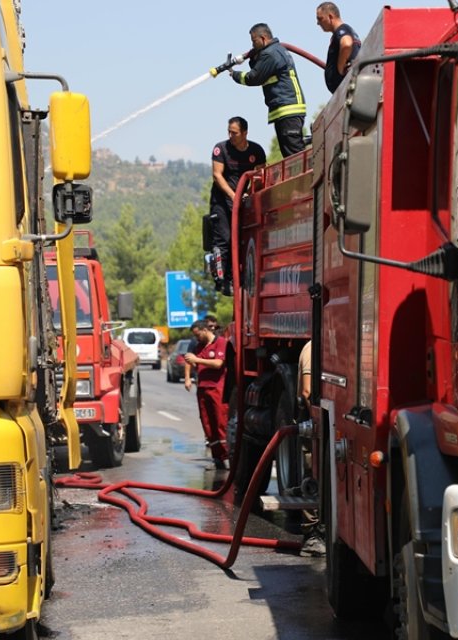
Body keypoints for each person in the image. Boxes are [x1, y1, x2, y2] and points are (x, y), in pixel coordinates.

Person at [228, 23, 308, 157]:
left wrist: (234, 74)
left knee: (295, 157)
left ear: (263, 38)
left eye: (254, 41)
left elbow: (253, 77)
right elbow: (261, 70)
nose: (252, 45)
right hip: (285, 110)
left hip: (288, 109)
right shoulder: (274, 51)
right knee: (290, 156)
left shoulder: (271, 54)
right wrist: (253, 57)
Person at [208, 117, 266, 295]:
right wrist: (234, 195)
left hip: (243, 201)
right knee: (224, 239)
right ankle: (223, 280)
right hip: (222, 201)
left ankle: (240, 277)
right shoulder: (221, 149)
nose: (231, 135)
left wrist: (248, 193)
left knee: (242, 239)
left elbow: (260, 175)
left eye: (234, 132)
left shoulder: (256, 151)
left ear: (245, 133)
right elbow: (217, 175)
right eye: (229, 132)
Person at [184, 318, 230, 470]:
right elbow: (189, 360)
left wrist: (197, 359)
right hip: (202, 389)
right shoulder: (199, 346)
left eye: (198, 335)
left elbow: (218, 363)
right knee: (207, 423)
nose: (197, 338)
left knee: (220, 422)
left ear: (205, 330)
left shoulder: (221, 342)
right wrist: (187, 378)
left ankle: (227, 456)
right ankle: (216, 456)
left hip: (217, 388)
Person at [295, 340, 325, 556]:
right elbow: (307, 391)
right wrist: (319, 427)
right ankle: (311, 536)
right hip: (314, 422)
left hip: (320, 421)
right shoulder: (313, 348)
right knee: (313, 476)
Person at [315, 2, 362, 94]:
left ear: (330, 16)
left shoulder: (342, 30)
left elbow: (346, 44)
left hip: (347, 89)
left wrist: (339, 70)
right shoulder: (348, 31)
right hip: (347, 90)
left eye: (320, 19)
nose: (318, 23)